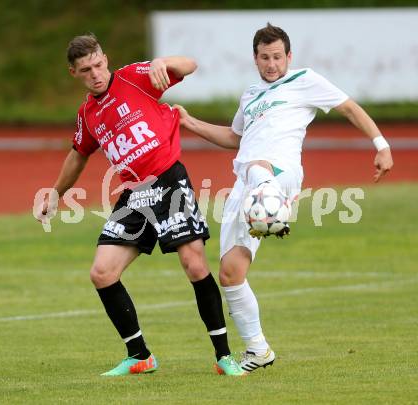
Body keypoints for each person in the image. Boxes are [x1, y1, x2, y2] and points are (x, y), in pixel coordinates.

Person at [175, 23, 394, 373]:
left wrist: (381, 145)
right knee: (230, 273)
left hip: (280, 175)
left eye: (278, 57)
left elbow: (349, 108)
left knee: (260, 166)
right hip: (246, 182)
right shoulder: (250, 95)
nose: (272, 64)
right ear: (255, 58)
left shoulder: (305, 79)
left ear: (289, 56)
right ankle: (258, 351)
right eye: (265, 57)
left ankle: (274, 209)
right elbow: (235, 138)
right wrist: (190, 122)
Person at [36, 34, 245, 376]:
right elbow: (78, 155)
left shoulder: (134, 77)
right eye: (86, 70)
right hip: (134, 195)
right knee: (102, 273)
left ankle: (224, 357)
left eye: (99, 64)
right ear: (73, 73)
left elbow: (190, 65)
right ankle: (140, 355)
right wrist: (56, 194)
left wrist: (164, 63)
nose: (96, 74)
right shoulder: (87, 114)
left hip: (168, 180)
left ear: (106, 58)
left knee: (193, 264)